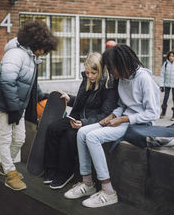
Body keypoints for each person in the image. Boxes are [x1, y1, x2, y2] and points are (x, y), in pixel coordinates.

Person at [64, 44, 160, 208]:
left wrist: (122, 120)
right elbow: (122, 105)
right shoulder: (122, 79)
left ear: (121, 64)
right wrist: (112, 115)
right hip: (123, 118)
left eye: (111, 68)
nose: (109, 72)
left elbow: (153, 113)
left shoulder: (144, 79)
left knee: (93, 137)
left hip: (139, 123)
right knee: (82, 133)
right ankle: (87, 183)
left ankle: (108, 191)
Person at [0, 20, 58, 191]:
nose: (42, 52)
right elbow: (7, 82)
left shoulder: (31, 57)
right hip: (4, 105)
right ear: (34, 42)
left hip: (17, 106)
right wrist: (13, 108)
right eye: (41, 48)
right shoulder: (15, 54)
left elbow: (31, 84)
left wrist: (43, 96)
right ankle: (10, 174)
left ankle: (6, 166)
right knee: (5, 138)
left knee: (19, 139)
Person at [43, 52, 119, 190]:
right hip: (77, 117)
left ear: (101, 70)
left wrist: (84, 123)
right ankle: (51, 169)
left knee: (70, 135)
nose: (90, 76)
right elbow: (82, 101)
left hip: (92, 122)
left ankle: (65, 173)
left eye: (93, 73)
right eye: (87, 72)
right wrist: (70, 99)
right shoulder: (87, 80)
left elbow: (105, 114)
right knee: (53, 128)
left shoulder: (108, 85)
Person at [160, 50, 174, 120]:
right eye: (170, 56)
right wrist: (161, 85)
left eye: (173, 56)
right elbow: (162, 75)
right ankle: (163, 112)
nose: (171, 57)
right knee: (166, 97)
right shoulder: (165, 64)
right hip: (167, 84)